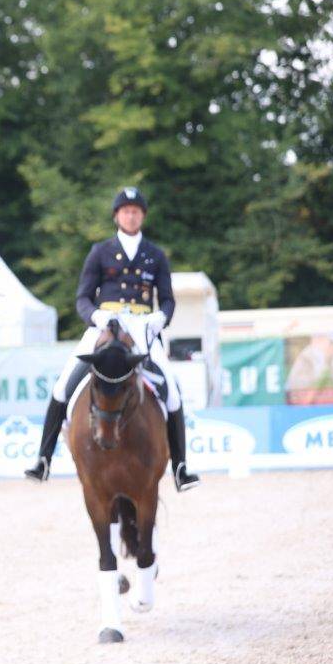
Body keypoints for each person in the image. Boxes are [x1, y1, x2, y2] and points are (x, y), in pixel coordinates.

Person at [25, 187, 201, 491]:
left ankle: (180, 467)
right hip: (104, 326)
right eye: (126, 211)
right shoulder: (100, 251)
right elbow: (82, 298)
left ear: (142, 216)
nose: (131, 216)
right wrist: (96, 316)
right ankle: (43, 459)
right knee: (63, 386)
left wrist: (161, 318)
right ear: (117, 216)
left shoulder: (155, 255)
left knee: (172, 392)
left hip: (142, 328)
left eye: (136, 211)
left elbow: (167, 299)